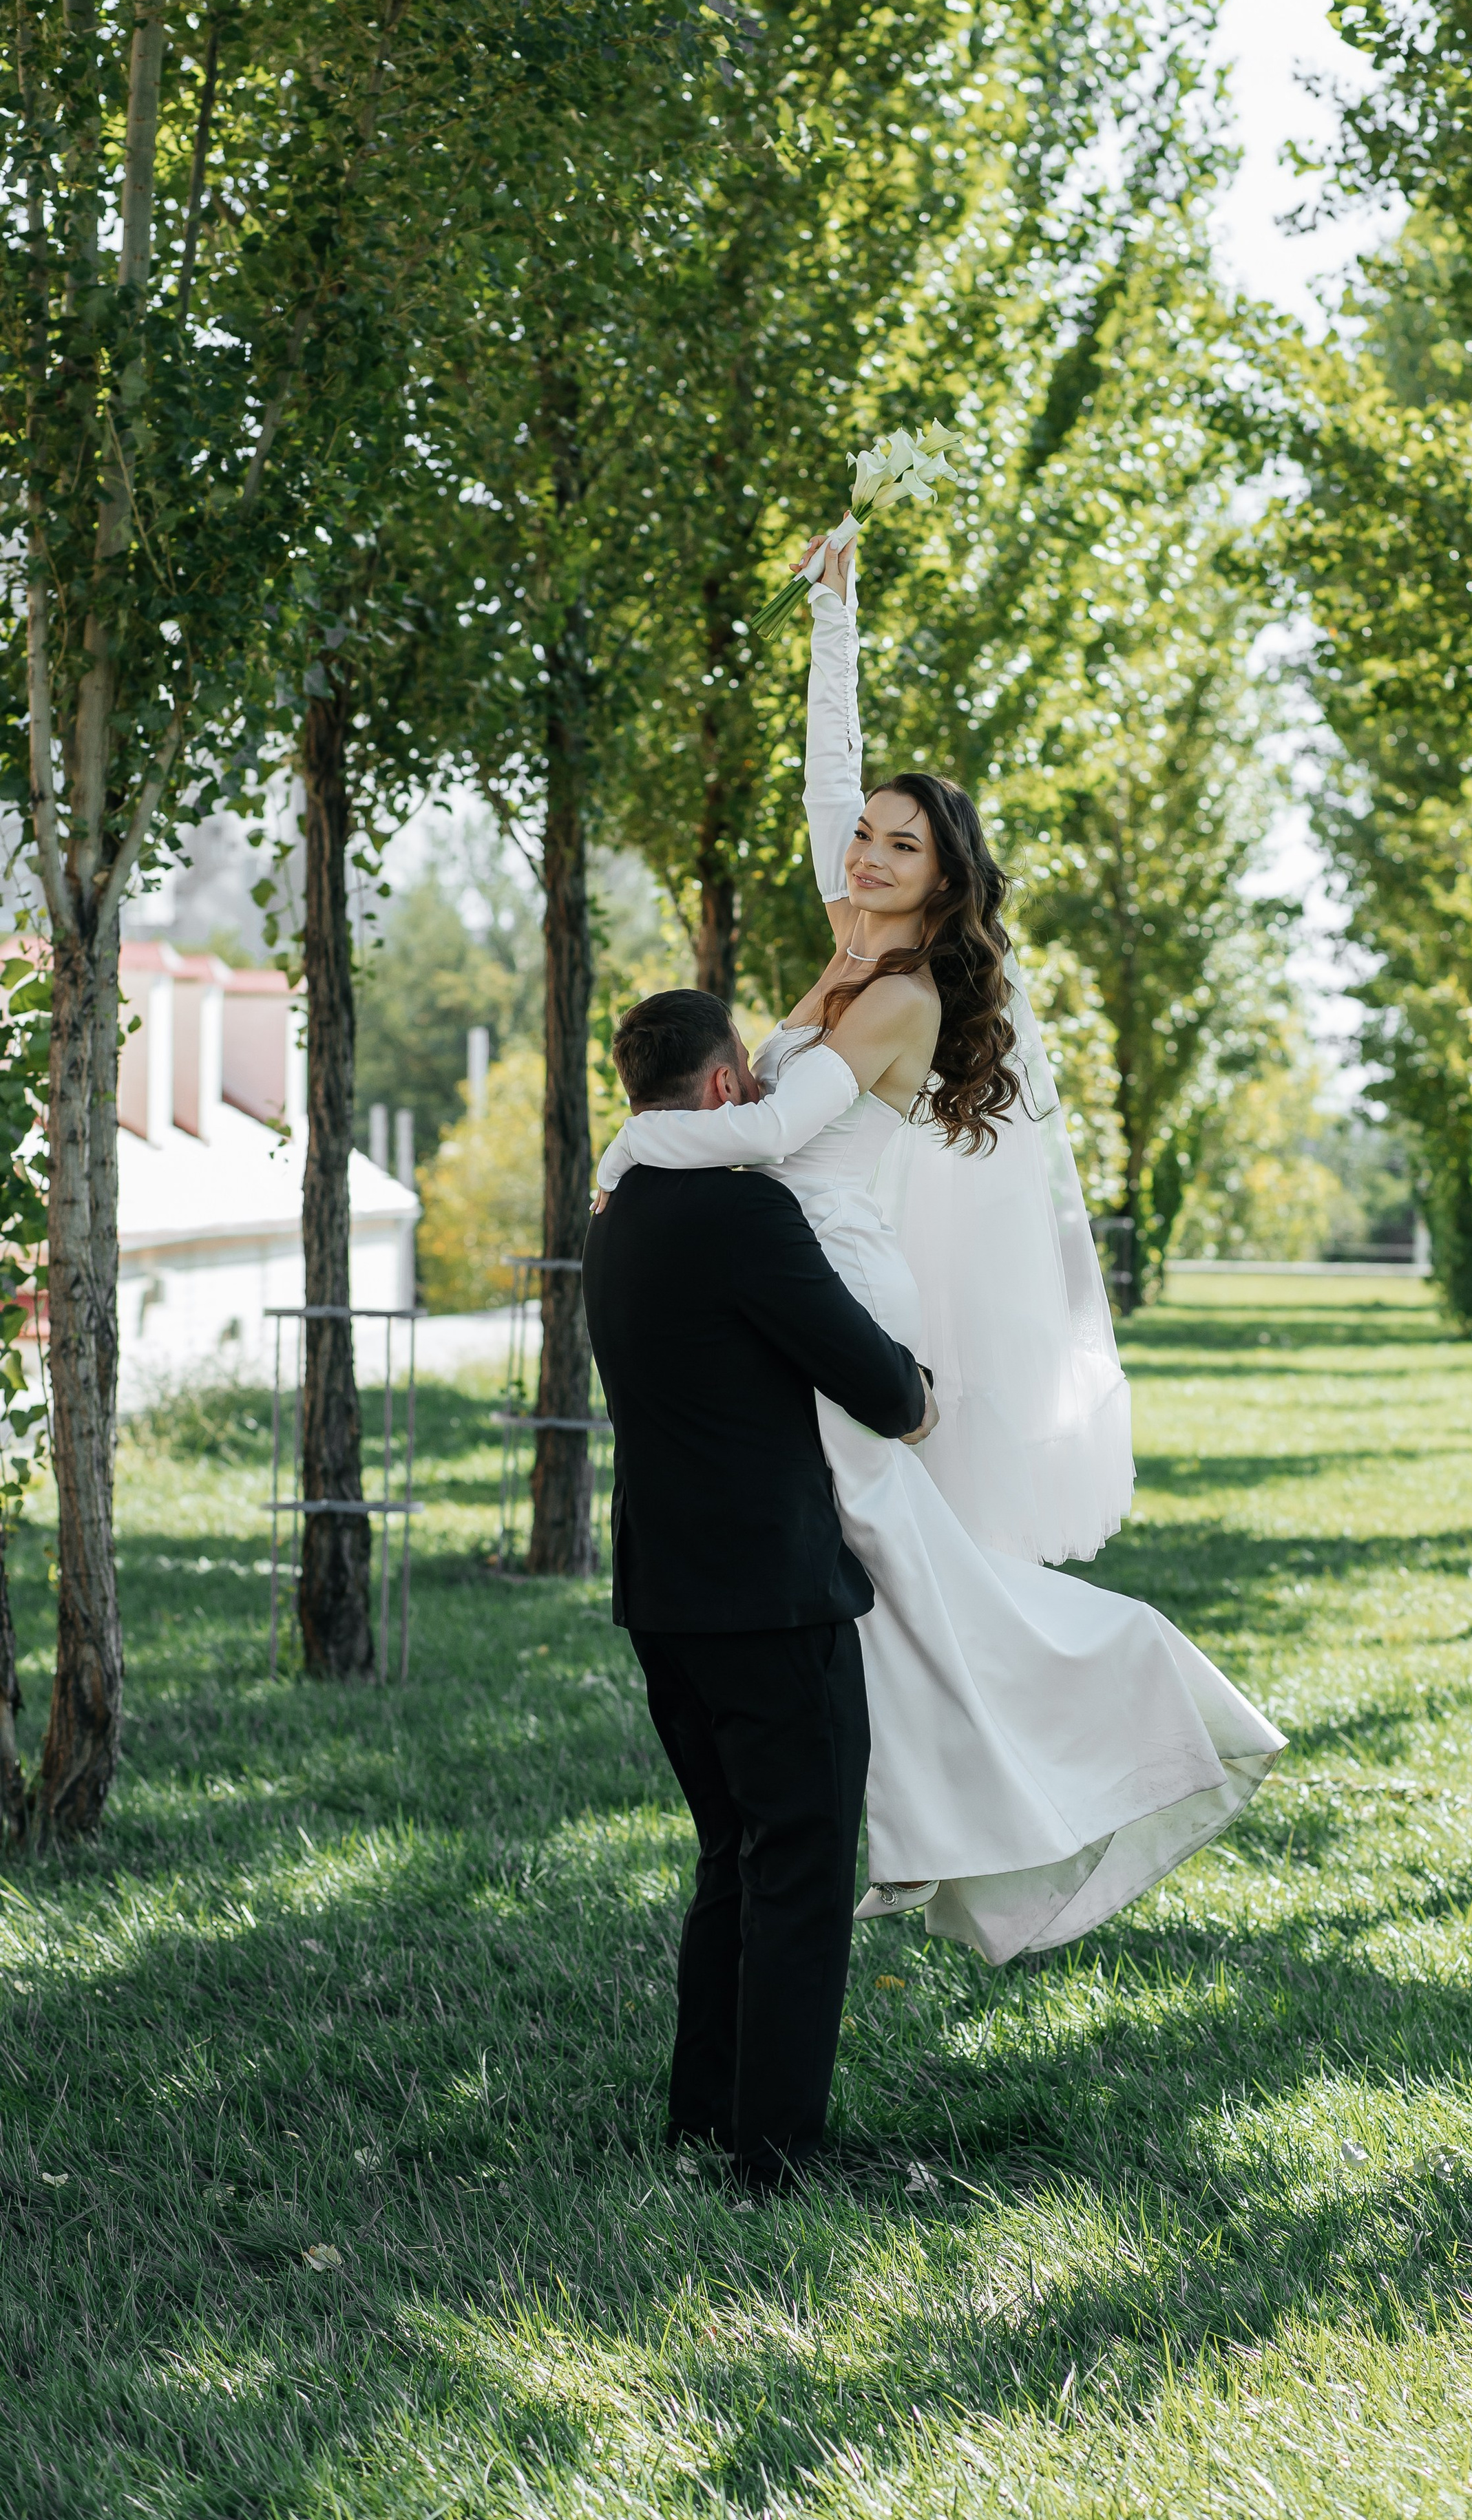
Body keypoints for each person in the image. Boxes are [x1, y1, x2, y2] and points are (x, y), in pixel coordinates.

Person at [593, 531, 1285, 1965]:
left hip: (836, 1269)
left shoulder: (900, 994)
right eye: (866, 840)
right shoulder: (851, 928)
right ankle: (924, 1823)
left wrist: (628, 1147)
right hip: (804, 1264)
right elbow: (824, 785)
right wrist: (834, 616)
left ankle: (1092, 1722)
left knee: (893, 1570)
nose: (866, 852)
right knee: (878, 1575)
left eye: (902, 845)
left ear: (942, 878)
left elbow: (779, 1141)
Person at [583, 986, 934, 2194]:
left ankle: (703, 2119)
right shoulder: (748, 1216)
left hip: (662, 1595)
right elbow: (875, 1382)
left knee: (732, 1851)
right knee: (800, 1860)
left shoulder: (616, 1215)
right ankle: (774, 2154)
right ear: (728, 1088)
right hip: (770, 1597)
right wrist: (923, 1391)